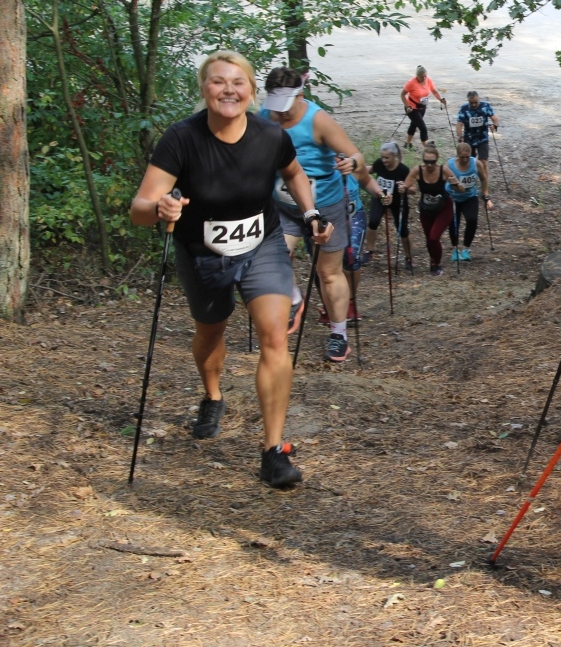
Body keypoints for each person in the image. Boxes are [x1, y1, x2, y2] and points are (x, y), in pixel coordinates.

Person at [130, 50, 332, 489]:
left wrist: (311, 213)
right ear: (204, 89)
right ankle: (213, 395)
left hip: (263, 244)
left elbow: (294, 174)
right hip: (203, 253)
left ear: (252, 90)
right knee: (210, 331)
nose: (228, 90)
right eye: (218, 81)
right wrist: (160, 207)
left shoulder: (269, 135)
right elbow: (140, 209)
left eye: (237, 82)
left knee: (274, 335)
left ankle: (273, 450)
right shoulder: (181, 138)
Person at [260, 67, 380, 363]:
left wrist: (351, 164)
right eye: (276, 108)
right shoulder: (265, 115)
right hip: (284, 206)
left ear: (300, 95)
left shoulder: (319, 120)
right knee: (272, 257)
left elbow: (358, 156)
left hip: (326, 206)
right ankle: (295, 300)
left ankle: (339, 335)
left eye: (286, 108)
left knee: (328, 273)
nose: (281, 115)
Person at [400, 142, 467, 276]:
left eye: (432, 162)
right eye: (426, 162)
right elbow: (406, 188)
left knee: (433, 237)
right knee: (429, 239)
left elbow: (461, 188)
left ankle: (436, 263)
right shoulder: (417, 170)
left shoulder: (444, 170)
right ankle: (432, 262)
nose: (429, 165)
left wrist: (456, 185)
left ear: (437, 160)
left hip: (444, 207)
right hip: (426, 209)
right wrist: (402, 189)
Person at [362, 141, 414, 272]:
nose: (384, 160)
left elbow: (413, 189)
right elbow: (370, 170)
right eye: (382, 157)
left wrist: (405, 187)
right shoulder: (379, 164)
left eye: (387, 158)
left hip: (398, 201)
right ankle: (369, 251)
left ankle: (408, 257)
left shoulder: (403, 170)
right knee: (373, 221)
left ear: (394, 156)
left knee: (402, 229)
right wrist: (357, 170)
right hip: (380, 198)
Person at [455, 91, 498, 207]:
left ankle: (485, 189)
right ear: (468, 101)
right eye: (471, 103)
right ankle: (470, 183)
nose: (474, 105)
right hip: (469, 140)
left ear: (479, 99)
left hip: (483, 138)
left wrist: (495, 125)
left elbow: (495, 118)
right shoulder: (464, 109)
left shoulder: (485, 106)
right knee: (470, 162)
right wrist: (459, 136)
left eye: (475, 102)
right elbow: (459, 124)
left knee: (483, 162)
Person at [446, 141, 484, 261]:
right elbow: (443, 179)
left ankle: (466, 249)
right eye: (462, 157)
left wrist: (486, 193)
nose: (465, 159)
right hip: (453, 197)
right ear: (457, 155)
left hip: (470, 196)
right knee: (453, 223)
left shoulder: (476, 163)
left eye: (467, 157)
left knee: (472, 220)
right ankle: (455, 249)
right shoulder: (450, 165)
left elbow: (484, 178)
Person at [401, 65, 447, 151]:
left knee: (414, 124)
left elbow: (434, 91)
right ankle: (427, 146)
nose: (424, 78)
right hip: (412, 108)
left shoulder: (428, 80)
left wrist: (440, 99)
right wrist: (407, 106)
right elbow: (402, 94)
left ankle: (407, 144)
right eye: (422, 77)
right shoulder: (411, 83)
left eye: (425, 76)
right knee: (423, 128)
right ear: (417, 76)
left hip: (422, 107)